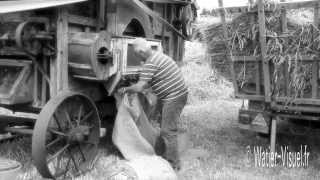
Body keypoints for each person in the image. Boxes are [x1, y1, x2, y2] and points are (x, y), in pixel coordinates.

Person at [118, 38, 188, 170]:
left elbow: (139, 87)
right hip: (176, 93)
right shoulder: (158, 56)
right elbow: (152, 82)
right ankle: (161, 154)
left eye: (136, 53)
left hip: (174, 96)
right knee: (164, 124)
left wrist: (125, 89)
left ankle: (174, 164)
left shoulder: (150, 63)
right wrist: (143, 88)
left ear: (141, 51)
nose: (136, 57)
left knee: (168, 130)